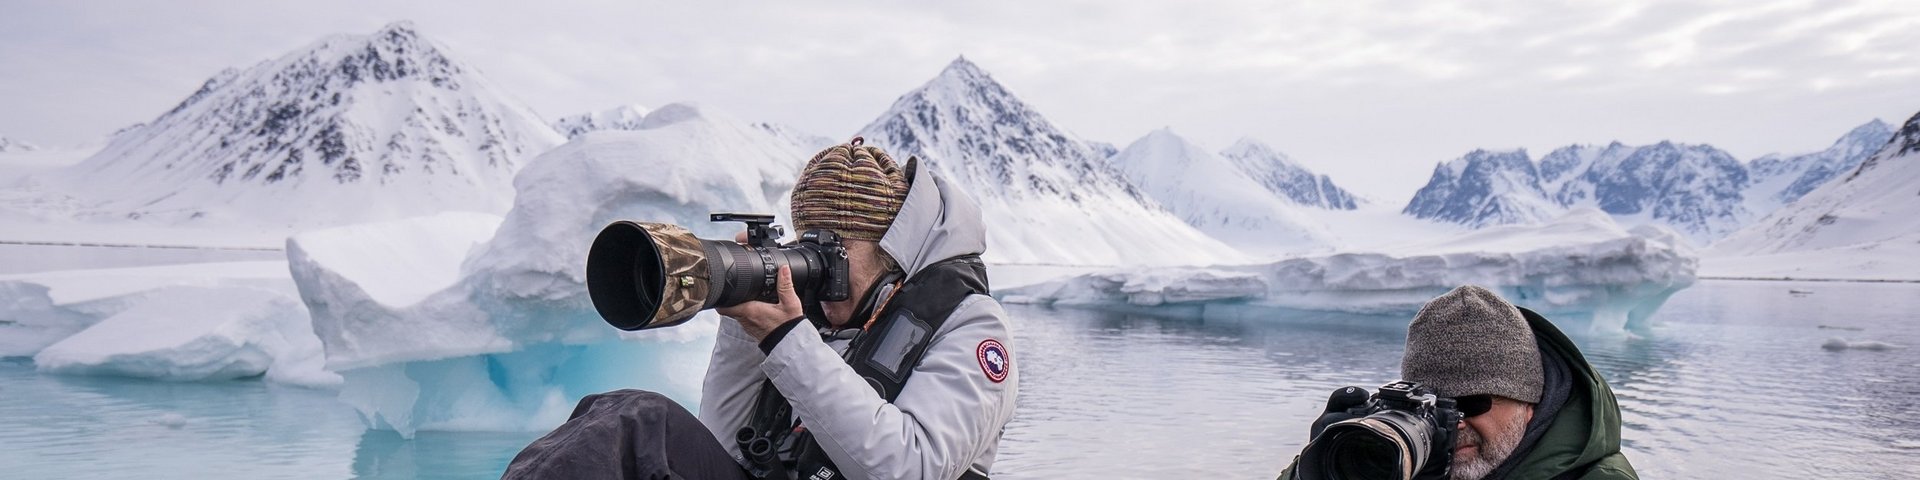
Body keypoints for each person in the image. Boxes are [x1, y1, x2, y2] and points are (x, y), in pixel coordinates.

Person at [502, 139, 1018, 480]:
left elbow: (913, 467)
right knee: (620, 415)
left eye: (834, 254)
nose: (820, 272)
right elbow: (726, 446)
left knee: (644, 422)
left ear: (893, 249)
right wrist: (743, 319)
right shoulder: (822, 322)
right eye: (809, 245)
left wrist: (788, 340)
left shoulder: (971, 325)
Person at [1277, 285, 1638, 480]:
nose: (1455, 423)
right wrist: (1318, 469)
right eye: (1432, 406)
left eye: (1473, 402)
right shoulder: (1412, 465)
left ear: (1530, 403)